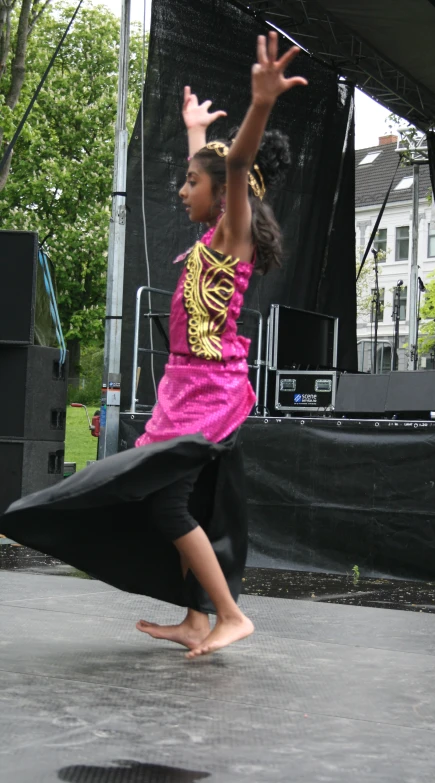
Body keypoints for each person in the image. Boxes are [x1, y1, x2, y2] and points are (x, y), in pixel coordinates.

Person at [0, 32, 306, 659]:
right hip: (184, 390)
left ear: (223, 197)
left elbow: (237, 168)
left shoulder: (231, 238)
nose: (180, 190)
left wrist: (260, 106)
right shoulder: (210, 234)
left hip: (209, 396)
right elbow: (220, 169)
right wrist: (195, 131)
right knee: (175, 501)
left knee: (166, 504)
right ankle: (197, 618)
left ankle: (227, 614)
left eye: (190, 182)